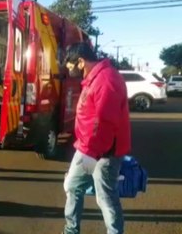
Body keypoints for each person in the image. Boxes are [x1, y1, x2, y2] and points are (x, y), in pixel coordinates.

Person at [62, 42, 131, 234]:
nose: (69, 69)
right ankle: (71, 230)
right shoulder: (94, 77)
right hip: (87, 148)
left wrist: (91, 155)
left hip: (103, 152)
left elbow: (105, 123)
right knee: (72, 185)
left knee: (106, 197)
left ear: (81, 62)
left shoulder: (106, 80)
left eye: (70, 65)